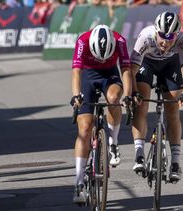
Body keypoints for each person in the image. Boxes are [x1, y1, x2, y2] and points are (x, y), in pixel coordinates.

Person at [70, 24, 132, 203]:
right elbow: (76, 72)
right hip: (88, 76)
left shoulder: (120, 40)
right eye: (100, 57)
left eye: (106, 57)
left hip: (110, 75)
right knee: (85, 128)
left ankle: (113, 142)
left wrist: (127, 96)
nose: (102, 60)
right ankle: (79, 182)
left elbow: (126, 71)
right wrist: (76, 96)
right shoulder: (83, 41)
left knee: (114, 98)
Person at [130, 11, 183, 182]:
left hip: (170, 65)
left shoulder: (182, 41)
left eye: (171, 37)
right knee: (141, 103)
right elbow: (132, 70)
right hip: (147, 64)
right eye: (162, 36)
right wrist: (133, 92)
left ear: (177, 34)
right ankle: (139, 154)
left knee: (172, 110)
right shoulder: (145, 37)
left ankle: (175, 162)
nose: (166, 41)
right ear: (156, 31)